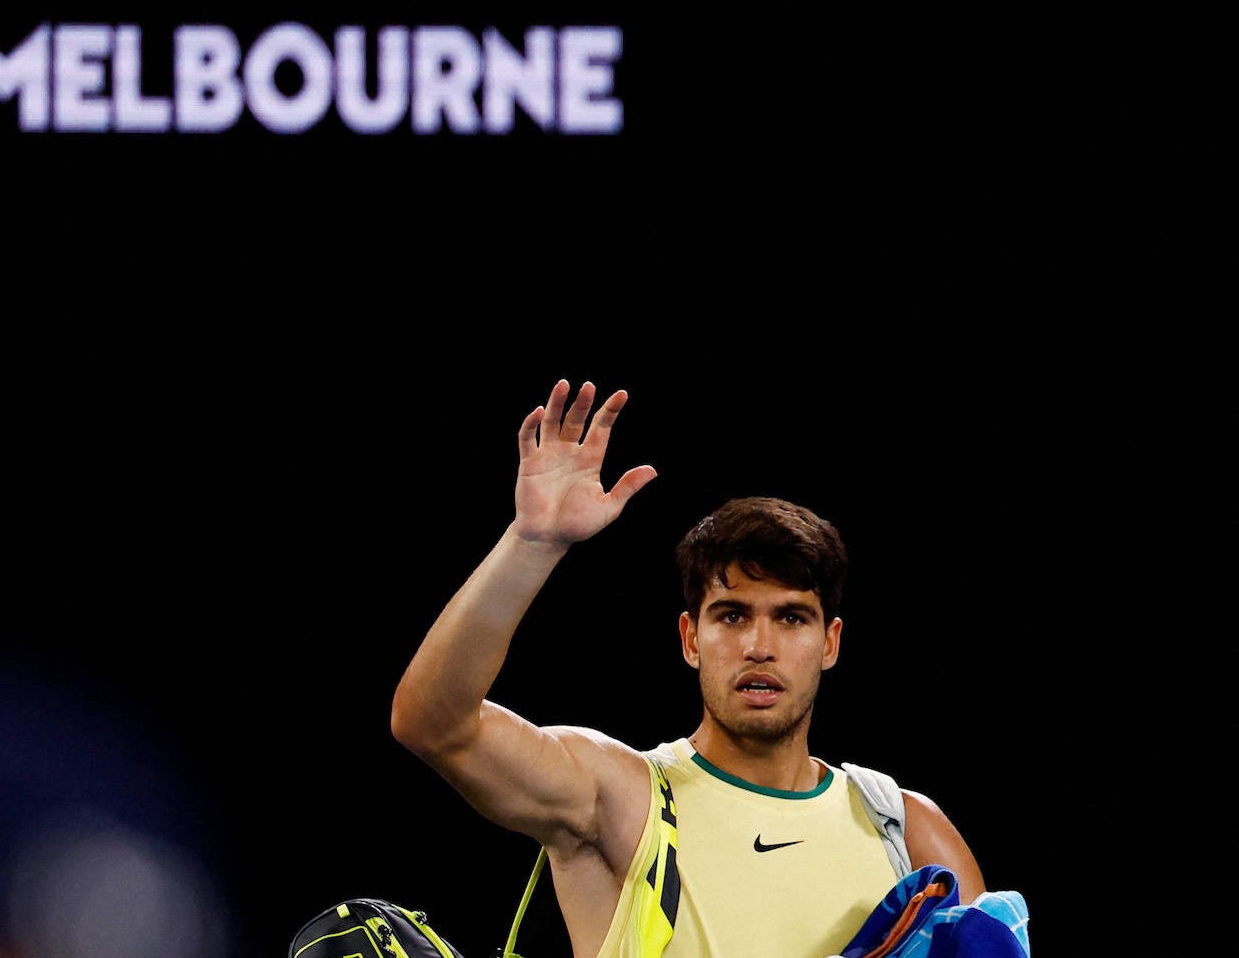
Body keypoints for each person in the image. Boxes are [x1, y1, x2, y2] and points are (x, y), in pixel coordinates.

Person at [391, 378, 988, 958]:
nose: (759, 644)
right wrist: (533, 543)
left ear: (830, 643)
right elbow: (434, 724)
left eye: (791, 618)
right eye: (731, 616)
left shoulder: (908, 829)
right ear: (690, 638)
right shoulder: (618, 799)